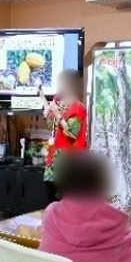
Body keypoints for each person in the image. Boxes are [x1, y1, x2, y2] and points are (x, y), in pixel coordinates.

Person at [39, 69, 88, 203]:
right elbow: (53, 125)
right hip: (54, 161)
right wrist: (44, 101)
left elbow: (72, 132)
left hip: (68, 163)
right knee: (51, 200)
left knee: (65, 202)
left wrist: (57, 113)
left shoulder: (78, 107)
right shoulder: (62, 105)